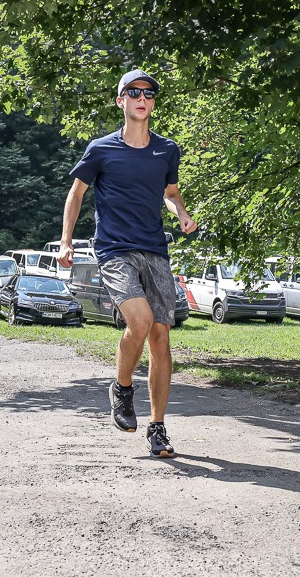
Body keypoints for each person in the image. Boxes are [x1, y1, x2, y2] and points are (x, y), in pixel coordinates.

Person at [58, 69, 196, 458]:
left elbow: (170, 192)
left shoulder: (166, 149)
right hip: (114, 249)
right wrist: (66, 241)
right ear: (120, 101)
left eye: (148, 94)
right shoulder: (101, 149)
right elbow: (76, 194)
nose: (142, 98)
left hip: (155, 249)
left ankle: (158, 427)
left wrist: (181, 213)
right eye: (133, 92)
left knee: (161, 337)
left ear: (153, 103)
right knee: (140, 320)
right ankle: (121, 388)